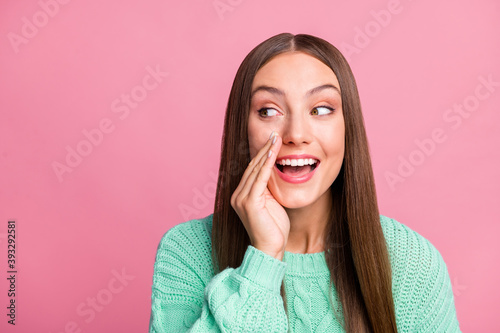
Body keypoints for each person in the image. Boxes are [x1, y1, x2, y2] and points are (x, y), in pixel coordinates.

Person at [149, 33, 461, 332]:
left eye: (321, 109)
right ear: (242, 129)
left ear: (347, 128)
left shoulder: (411, 262)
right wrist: (263, 259)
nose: (296, 134)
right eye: (269, 110)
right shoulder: (187, 251)